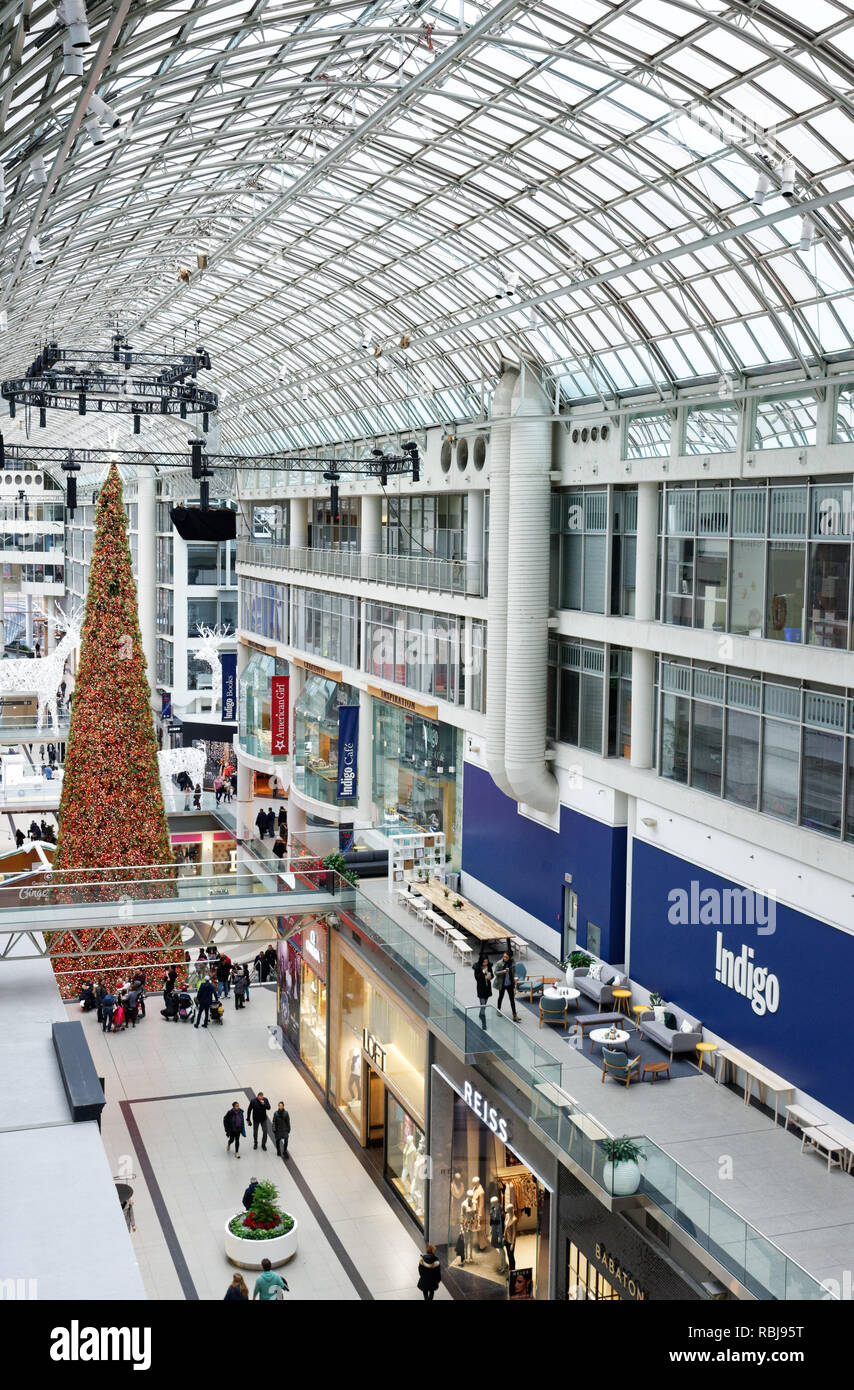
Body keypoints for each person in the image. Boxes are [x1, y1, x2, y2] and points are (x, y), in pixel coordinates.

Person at [493, 952, 520, 1022]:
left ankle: (514, 1015)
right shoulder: (499, 963)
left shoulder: (512, 963)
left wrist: (516, 977)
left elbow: (514, 972)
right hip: (502, 984)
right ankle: (498, 1010)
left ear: (510, 958)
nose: (504, 958)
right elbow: (495, 973)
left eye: (506, 957)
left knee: (512, 999)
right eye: (504, 956)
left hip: (510, 983)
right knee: (501, 997)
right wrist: (503, 971)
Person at [473, 953, 493, 1026]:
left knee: (483, 1004)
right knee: (483, 1004)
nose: (485, 963)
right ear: (481, 961)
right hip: (481, 988)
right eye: (484, 962)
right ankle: (484, 1022)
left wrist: (490, 976)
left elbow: (492, 975)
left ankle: (480, 1014)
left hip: (487, 988)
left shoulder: (489, 966)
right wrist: (483, 972)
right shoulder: (477, 967)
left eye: (486, 962)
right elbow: (477, 978)